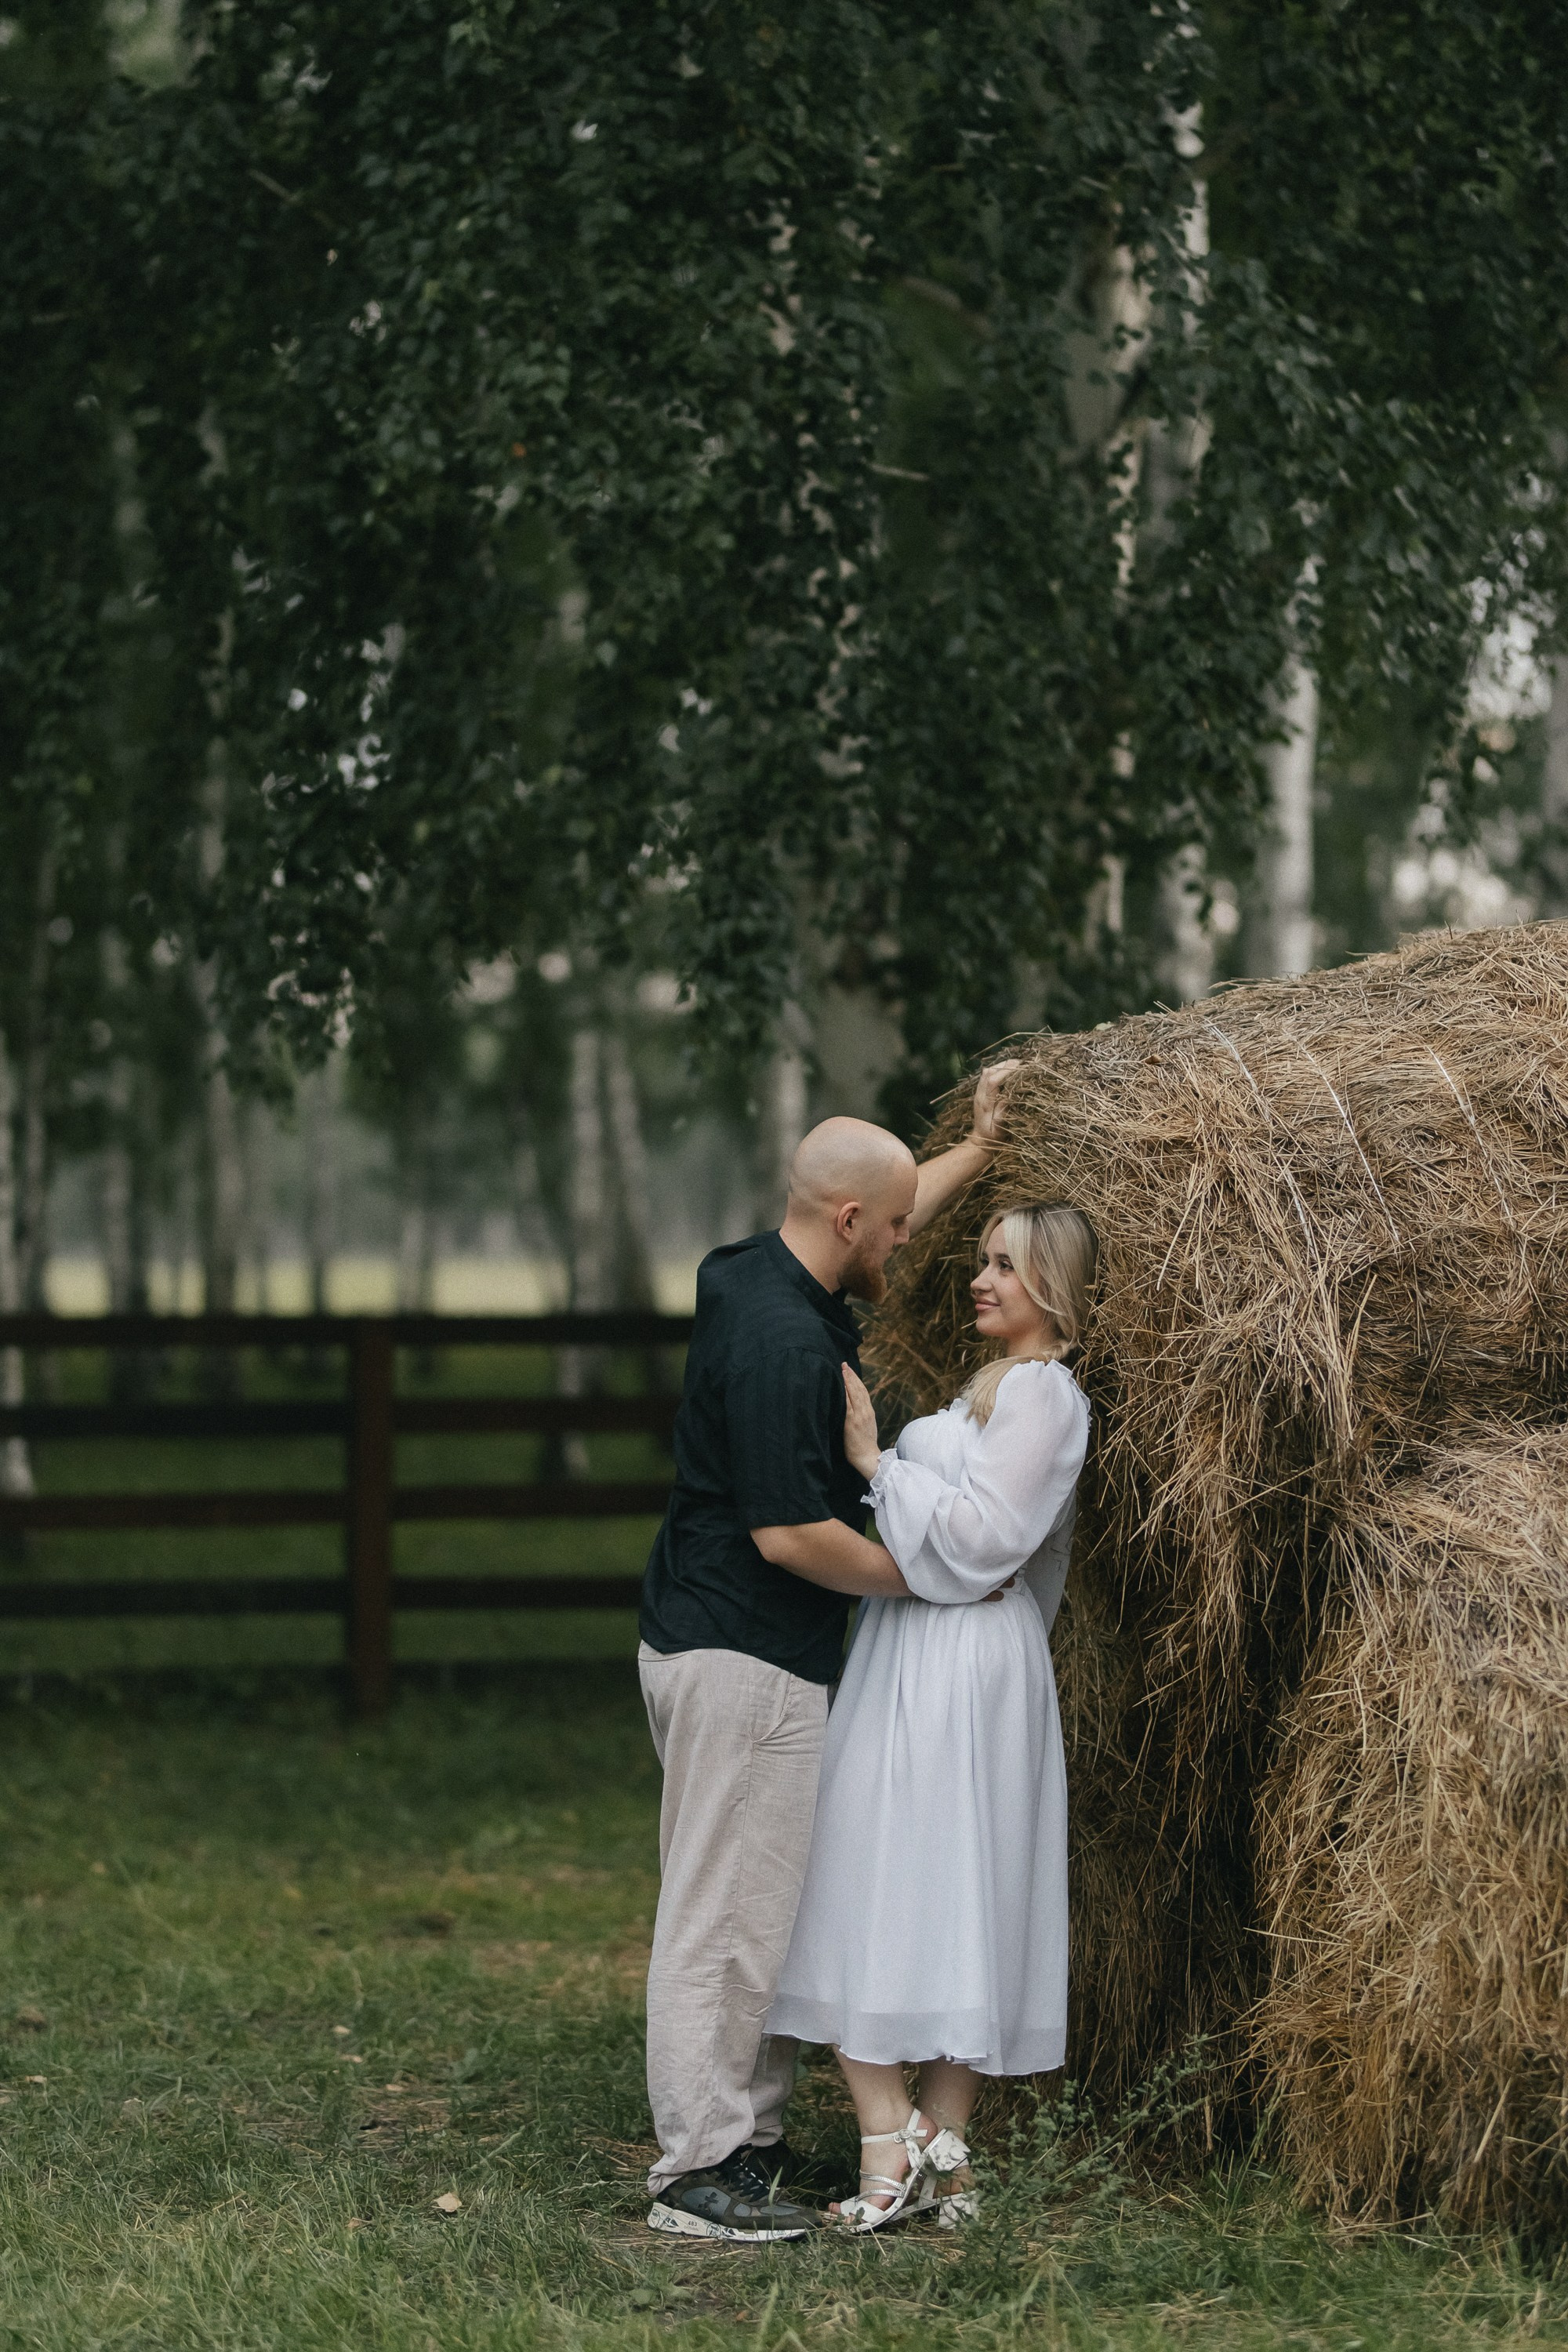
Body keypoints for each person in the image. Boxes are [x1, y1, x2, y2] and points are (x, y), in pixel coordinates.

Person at [639, 1069, 1018, 2243]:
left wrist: (975, 1146)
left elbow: (878, 1197)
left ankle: (745, 2141)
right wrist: (928, 1572)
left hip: (715, 1640)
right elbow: (791, 1534)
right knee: (722, 1915)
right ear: (850, 1223)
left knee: (763, 1908)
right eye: (899, 1230)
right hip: (743, 1655)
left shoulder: (747, 1267)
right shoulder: (784, 1351)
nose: (913, 1246)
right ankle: (696, 2172)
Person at [767, 1200, 1098, 2231]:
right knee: (903, 1878)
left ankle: (906, 2151)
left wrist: (876, 1466)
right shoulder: (996, 1389)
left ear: (1054, 1286)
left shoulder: (1044, 1391)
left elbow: (980, 1543)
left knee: (925, 1882)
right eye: (982, 1258)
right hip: (920, 1651)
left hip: (960, 1662)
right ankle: (931, 2156)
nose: (980, 1277)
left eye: (1006, 1265)